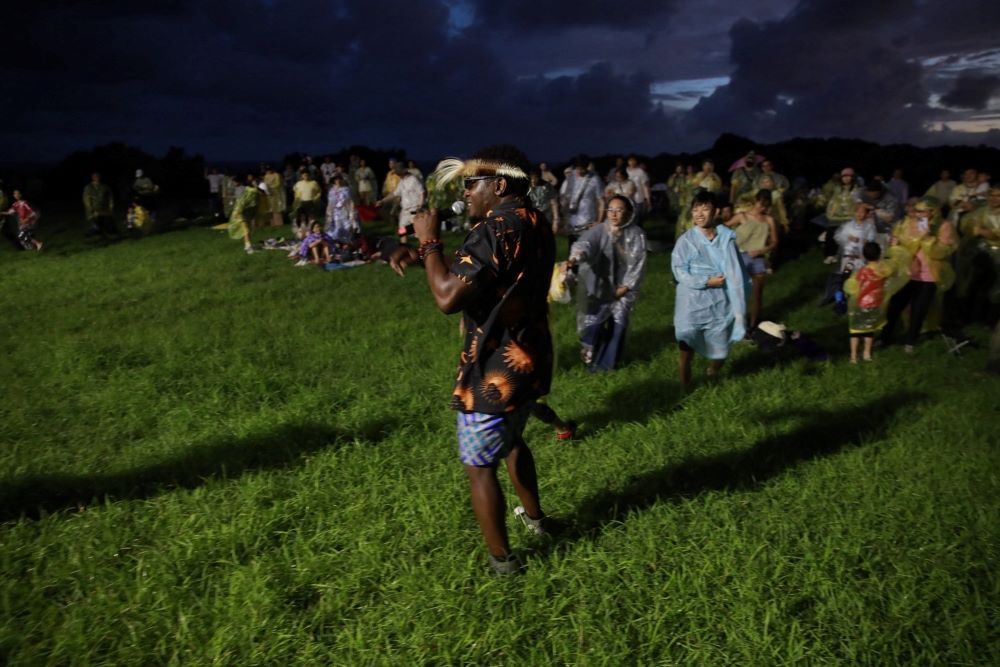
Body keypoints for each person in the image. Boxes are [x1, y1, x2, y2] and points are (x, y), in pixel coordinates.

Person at [388, 145, 555, 575]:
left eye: (471, 184)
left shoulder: (493, 228)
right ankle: (538, 522)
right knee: (514, 441)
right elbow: (480, 277)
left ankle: (503, 563)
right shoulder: (535, 221)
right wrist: (431, 258)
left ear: (498, 185)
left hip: (492, 370)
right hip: (529, 358)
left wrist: (427, 241)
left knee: (479, 467)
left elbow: (447, 297)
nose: (466, 193)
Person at [672, 190, 749, 390]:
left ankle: (712, 371)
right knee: (686, 347)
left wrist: (739, 304)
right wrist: (706, 281)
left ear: (715, 212)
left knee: (721, 348)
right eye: (696, 209)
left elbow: (737, 271)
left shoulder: (726, 238)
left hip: (720, 301)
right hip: (692, 302)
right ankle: (684, 389)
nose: (699, 214)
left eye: (705, 209)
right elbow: (679, 271)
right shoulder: (686, 241)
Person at [567, 195, 647, 371]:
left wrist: (626, 287)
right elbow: (585, 244)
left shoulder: (636, 235)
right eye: (610, 209)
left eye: (619, 210)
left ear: (629, 213)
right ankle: (590, 358)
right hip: (598, 287)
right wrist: (576, 257)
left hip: (624, 289)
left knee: (618, 326)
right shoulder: (600, 230)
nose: (613, 214)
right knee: (592, 326)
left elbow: (638, 263)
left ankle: (606, 366)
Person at [881, 200, 958, 352]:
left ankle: (910, 340)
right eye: (917, 211)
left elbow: (942, 252)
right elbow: (898, 246)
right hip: (908, 272)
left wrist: (928, 237)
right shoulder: (909, 224)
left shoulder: (944, 226)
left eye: (923, 211)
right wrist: (896, 244)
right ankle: (884, 337)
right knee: (895, 306)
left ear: (933, 212)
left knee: (919, 309)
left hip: (929, 274)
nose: (918, 214)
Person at [844, 242, 909, 363]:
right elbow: (896, 264)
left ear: (864, 256)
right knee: (869, 329)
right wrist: (894, 247)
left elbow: (852, 286)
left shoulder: (861, 271)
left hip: (860, 304)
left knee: (855, 330)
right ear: (880, 254)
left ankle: (853, 356)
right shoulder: (884, 270)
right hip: (876, 303)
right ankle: (867, 354)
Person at [726, 190, 779, 332]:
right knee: (738, 292)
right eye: (761, 204)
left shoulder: (769, 220)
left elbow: (774, 241)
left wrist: (762, 251)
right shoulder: (742, 216)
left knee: (757, 294)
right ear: (756, 201)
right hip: (741, 256)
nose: (762, 208)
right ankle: (737, 323)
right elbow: (724, 228)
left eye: (766, 206)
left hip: (758, 258)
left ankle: (753, 325)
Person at [559, 158, 603, 246]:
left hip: (588, 219)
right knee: (572, 247)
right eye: (577, 168)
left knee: (586, 247)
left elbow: (601, 201)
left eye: (582, 169)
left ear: (587, 167)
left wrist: (599, 220)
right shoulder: (571, 177)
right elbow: (565, 196)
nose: (579, 171)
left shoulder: (595, 179)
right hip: (572, 220)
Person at [377, 162, 425, 242]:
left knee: (418, 232)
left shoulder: (413, 180)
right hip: (405, 211)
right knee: (402, 231)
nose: (398, 175)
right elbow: (394, 193)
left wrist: (420, 206)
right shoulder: (402, 181)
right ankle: (404, 248)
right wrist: (383, 201)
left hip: (414, 209)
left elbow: (422, 193)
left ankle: (424, 249)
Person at [823, 167, 862, 263]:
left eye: (849, 176)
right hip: (836, 216)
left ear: (852, 177)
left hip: (850, 217)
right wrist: (831, 211)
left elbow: (858, 203)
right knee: (830, 234)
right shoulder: (837, 188)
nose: (846, 178)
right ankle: (830, 255)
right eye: (844, 176)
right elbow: (833, 201)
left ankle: (841, 255)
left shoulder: (857, 190)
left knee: (845, 236)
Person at [227, 174, 259, 254]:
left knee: (247, 228)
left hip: (244, 211)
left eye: (234, 182)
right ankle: (248, 246)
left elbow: (251, 195)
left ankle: (248, 244)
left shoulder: (244, 189)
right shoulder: (239, 189)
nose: (233, 183)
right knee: (246, 229)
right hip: (240, 212)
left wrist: (255, 186)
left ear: (239, 181)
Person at [325, 175, 359, 243]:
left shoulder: (346, 189)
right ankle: (340, 242)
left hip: (345, 210)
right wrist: (329, 213)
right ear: (334, 181)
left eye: (339, 179)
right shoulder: (331, 191)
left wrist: (352, 212)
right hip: (335, 212)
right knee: (338, 227)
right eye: (336, 180)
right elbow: (330, 203)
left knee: (348, 226)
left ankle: (349, 241)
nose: (338, 181)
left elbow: (350, 201)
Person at [83, 172, 118, 238]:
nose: (96, 178)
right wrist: (91, 209)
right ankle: (91, 234)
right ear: (92, 178)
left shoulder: (105, 187)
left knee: (108, 223)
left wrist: (111, 206)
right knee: (96, 225)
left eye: (97, 176)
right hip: (94, 209)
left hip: (104, 209)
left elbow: (110, 197)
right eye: (95, 177)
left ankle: (110, 233)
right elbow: (86, 199)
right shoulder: (88, 187)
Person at [291, 170, 322, 238]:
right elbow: (296, 193)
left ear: (309, 175)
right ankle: (302, 232)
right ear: (302, 176)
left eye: (307, 175)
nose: (306, 177)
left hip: (311, 202)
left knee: (312, 217)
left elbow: (319, 192)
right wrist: (296, 202)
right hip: (302, 202)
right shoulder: (298, 184)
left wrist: (315, 199)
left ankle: (314, 232)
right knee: (302, 217)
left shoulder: (313, 183)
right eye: (304, 175)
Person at [626, 156, 651, 221]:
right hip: (627, 198)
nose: (632, 162)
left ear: (636, 162)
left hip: (639, 199)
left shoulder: (640, 172)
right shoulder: (625, 171)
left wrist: (648, 199)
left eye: (633, 160)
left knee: (638, 218)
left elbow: (645, 186)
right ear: (628, 162)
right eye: (630, 160)